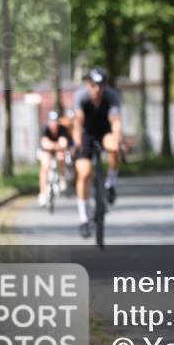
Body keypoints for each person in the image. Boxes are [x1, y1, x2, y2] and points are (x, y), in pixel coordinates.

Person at [72, 67, 123, 238]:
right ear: (88, 84)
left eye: (101, 85)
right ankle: (84, 219)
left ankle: (110, 184)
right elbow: (78, 121)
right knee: (84, 173)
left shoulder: (112, 96)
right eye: (94, 85)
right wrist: (77, 142)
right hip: (86, 133)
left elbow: (115, 121)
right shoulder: (81, 97)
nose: (97, 89)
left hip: (104, 132)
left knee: (114, 147)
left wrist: (118, 138)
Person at [38, 110, 71, 207]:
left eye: (55, 121)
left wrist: (55, 145)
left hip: (58, 150)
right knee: (45, 167)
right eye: (52, 121)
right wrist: (56, 145)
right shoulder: (45, 129)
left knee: (61, 157)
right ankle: (43, 193)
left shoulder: (62, 129)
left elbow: (64, 143)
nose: (54, 123)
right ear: (48, 122)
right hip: (46, 151)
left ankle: (61, 178)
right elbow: (44, 143)